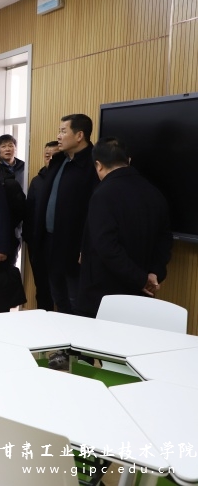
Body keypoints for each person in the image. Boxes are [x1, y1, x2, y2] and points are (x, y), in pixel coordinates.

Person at [77, 137, 172, 319]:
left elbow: (107, 247)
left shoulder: (103, 194)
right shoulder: (154, 193)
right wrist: (154, 273)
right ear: (128, 160)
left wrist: (141, 280)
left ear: (98, 165)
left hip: (103, 297)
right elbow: (165, 239)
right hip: (140, 296)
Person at [34, 114, 99, 370]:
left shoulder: (93, 164)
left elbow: (94, 212)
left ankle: (81, 354)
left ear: (79, 135)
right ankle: (63, 348)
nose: (59, 136)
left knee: (77, 302)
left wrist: (85, 246)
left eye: (63, 131)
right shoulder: (59, 160)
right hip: (50, 242)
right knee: (58, 297)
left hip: (75, 247)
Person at [22, 140, 59, 310]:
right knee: (42, 287)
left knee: (60, 288)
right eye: (47, 156)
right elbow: (29, 211)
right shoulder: (37, 181)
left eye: (54, 156)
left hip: (57, 242)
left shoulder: (65, 179)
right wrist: (30, 239)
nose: (50, 159)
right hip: (37, 243)